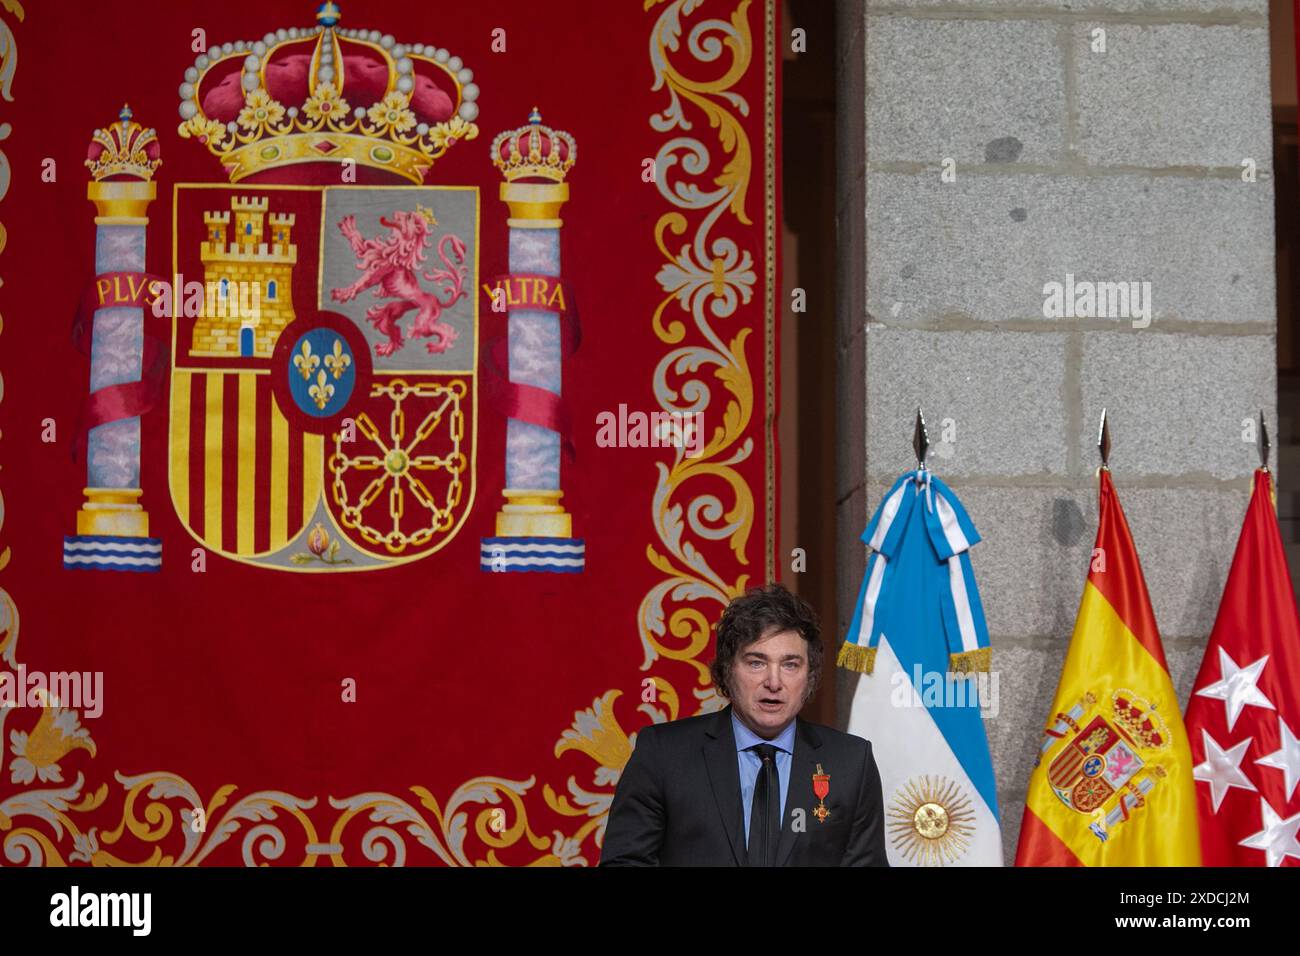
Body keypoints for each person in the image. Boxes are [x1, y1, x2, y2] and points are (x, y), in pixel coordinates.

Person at [600, 583, 888, 866]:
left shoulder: (851, 763)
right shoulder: (663, 754)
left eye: (790, 665)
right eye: (756, 663)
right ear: (727, 670)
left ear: (809, 677)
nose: (774, 683)